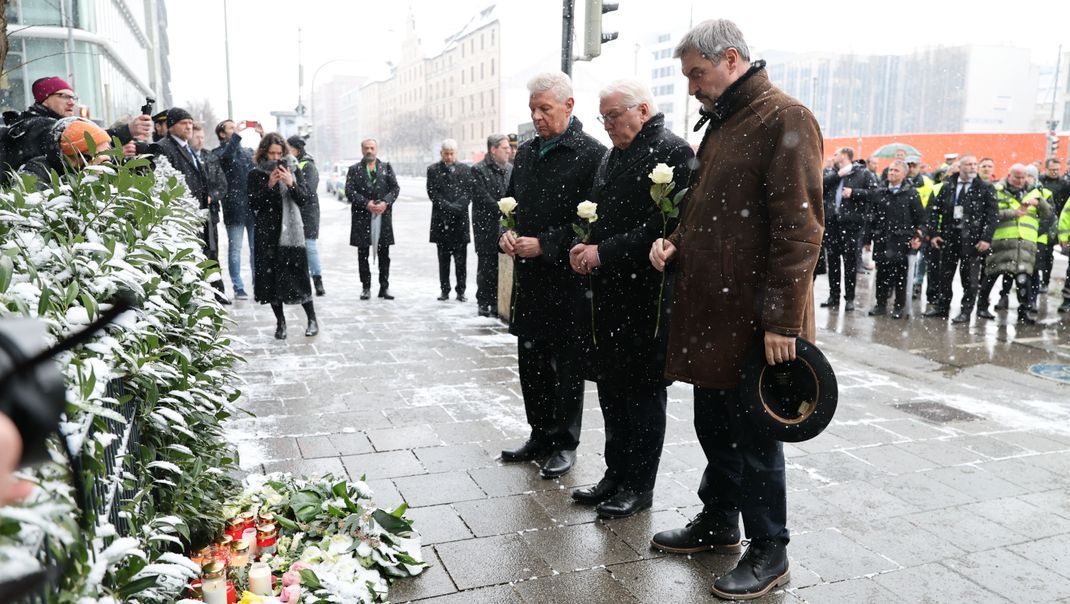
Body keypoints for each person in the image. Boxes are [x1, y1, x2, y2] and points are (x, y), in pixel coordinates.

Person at [648, 19, 823, 600]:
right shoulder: (724, 122)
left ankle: (770, 549)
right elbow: (706, 209)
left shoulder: (784, 118)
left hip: (753, 319)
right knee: (713, 425)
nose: (692, 87)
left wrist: (782, 321)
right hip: (711, 311)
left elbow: (799, 231)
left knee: (754, 435)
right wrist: (674, 238)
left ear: (730, 58)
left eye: (697, 73)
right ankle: (721, 521)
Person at [568, 79, 694, 519]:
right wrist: (583, 244)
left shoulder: (673, 152)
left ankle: (640, 486)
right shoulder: (612, 154)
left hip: (646, 297)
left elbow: (665, 226)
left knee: (642, 396)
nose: (606, 125)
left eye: (613, 116)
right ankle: (614, 475)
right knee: (612, 393)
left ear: (642, 110)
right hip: (608, 297)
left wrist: (605, 251)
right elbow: (601, 214)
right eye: (602, 117)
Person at [498, 71, 606, 479]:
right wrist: (507, 233)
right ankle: (539, 433)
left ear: (569, 106)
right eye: (533, 110)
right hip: (529, 278)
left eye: (545, 109)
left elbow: (592, 220)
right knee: (531, 360)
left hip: (566, 279)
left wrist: (546, 244)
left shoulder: (590, 153)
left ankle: (564, 442)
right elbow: (509, 206)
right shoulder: (525, 153)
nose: (538, 117)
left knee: (565, 364)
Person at [248, 133, 319, 339]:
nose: (276, 157)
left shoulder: (294, 170)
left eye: (279, 153)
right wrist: (269, 186)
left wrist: (291, 183)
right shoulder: (255, 174)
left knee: (299, 276)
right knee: (270, 280)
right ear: (264, 152)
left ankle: (312, 319)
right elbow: (254, 204)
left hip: (291, 234)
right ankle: (280, 323)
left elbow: (304, 199)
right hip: (266, 233)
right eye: (272, 153)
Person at [156, 108, 229, 303]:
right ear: (171, 126)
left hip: (202, 213)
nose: (188, 126)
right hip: (184, 216)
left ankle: (214, 292)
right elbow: (167, 184)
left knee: (209, 253)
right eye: (183, 123)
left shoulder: (189, 148)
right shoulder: (165, 147)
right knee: (192, 259)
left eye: (190, 122)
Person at [924, 155, 997, 323]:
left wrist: (986, 238)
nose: (972, 167)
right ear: (960, 167)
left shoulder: (985, 188)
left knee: (969, 278)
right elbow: (934, 211)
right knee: (945, 275)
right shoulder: (948, 186)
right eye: (968, 164)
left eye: (974, 164)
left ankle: (966, 310)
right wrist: (934, 233)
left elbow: (992, 216)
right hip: (950, 237)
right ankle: (942, 306)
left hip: (972, 240)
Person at [975, 164, 1052, 324]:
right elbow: (989, 214)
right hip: (1001, 242)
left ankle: (1024, 311)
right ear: (1009, 175)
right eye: (1017, 177)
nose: (1020, 181)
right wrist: (1013, 214)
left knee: (1023, 279)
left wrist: (1040, 203)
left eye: (1023, 177)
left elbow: (1049, 215)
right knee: (991, 275)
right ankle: (982, 306)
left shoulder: (1035, 193)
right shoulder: (997, 190)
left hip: (1024, 243)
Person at [856, 159, 924, 318]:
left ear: (904, 174)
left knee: (900, 276)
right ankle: (880, 304)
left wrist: (918, 236)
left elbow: (920, 219)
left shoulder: (911, 193)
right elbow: (870, 218)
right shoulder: (880, 192)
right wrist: (867, 239)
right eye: (891, 170)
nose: (892, 173)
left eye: (896, 171)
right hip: (882, 239)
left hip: (901, 241)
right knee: (882, 275)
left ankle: (899, 307)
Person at [16, 76, 151, 145]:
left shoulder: (41, 123)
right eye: (64, 96)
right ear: (45, 99)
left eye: (73, 97)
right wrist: (128, 131)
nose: (71, 102)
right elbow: (87, 143)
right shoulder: (39, 125)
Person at [821, 147, 876, 311]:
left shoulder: (863, 173)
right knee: (833, 260)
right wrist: (837, 175)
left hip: (851, 225)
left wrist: (854, 193)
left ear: (845, 156)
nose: (834, 156)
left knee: (850, 262)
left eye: (836, 154)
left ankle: (850, 298)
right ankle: (834, 296)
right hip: (832, 223)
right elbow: (820, 187)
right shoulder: (834, 174)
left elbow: (874, 194)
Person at [213, 119, 262, 300]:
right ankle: (238, 287)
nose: (235, 131)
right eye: (231, 129)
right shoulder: (218, 153)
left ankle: (259, 285)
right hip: (233, 208)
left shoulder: (247, 152)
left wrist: (262, 136)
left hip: (251, 208)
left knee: (255, 249)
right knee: (235, 250)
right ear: (222, 134)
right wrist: (236, 137)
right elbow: (226, 158)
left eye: (236, 128)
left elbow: (263, 160)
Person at [346, 138, 400, 300]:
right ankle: (366, 287)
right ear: (362, 150)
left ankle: (384, 287)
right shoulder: (354, 170)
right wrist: (366, 203)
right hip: (362, 217)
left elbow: (395, 188)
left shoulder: (386, 167)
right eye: (366, 148)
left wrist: (386, 202)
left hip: (383, 216)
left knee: (384, 253)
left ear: (376, 149)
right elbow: (349, 191)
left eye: (372, 148)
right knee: (363, 254)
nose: (369, 151)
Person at [470, 134, 513, 316]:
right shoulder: (478, 170)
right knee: (486, 265)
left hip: (504, 225)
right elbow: (481, 197)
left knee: (500, 264)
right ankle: (483, 300)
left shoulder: (510, 169)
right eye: (505, 148)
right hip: (485, 225)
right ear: (493, 150)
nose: (509, 151)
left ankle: (497, 301)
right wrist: (502, 207)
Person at [426, 139, 473, 301]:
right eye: (446, 153)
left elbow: (469, 193)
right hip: (442, 221)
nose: (449, 157)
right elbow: (433, 193)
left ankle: (461, 291)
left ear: (456, 153)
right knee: (443, 259)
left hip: (460, 222)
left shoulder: (466, 170)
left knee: (461, 260)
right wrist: (448, 207)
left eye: (452, 153)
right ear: (441, 153)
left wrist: (457, 207)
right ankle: (444, 290)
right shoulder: (433, 170)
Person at [17, 117, 113, 185]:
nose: (102, 164)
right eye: (92, 156)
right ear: (71, 156)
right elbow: (33, 203)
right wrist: (85, 178)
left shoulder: (107, 169)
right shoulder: (38, 168)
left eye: (106, 153)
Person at [288, 135, 324, 297]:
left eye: (289, 148)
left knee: (309, 247)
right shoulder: (288, 164)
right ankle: (298, 281)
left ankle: (317, 280)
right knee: (294, 247)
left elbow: (308, 191)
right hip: (293, 211)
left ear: (296, 149)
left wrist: (293, 186)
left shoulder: (308, 165)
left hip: (308, 212)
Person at [192, 125, 228, 221]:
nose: (200, 141)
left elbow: (222, 185)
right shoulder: (186, 157)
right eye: (197, 137)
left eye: (202, 137)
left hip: (212, 211)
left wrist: (211, 197)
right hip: (192, 211)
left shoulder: (211, 157)